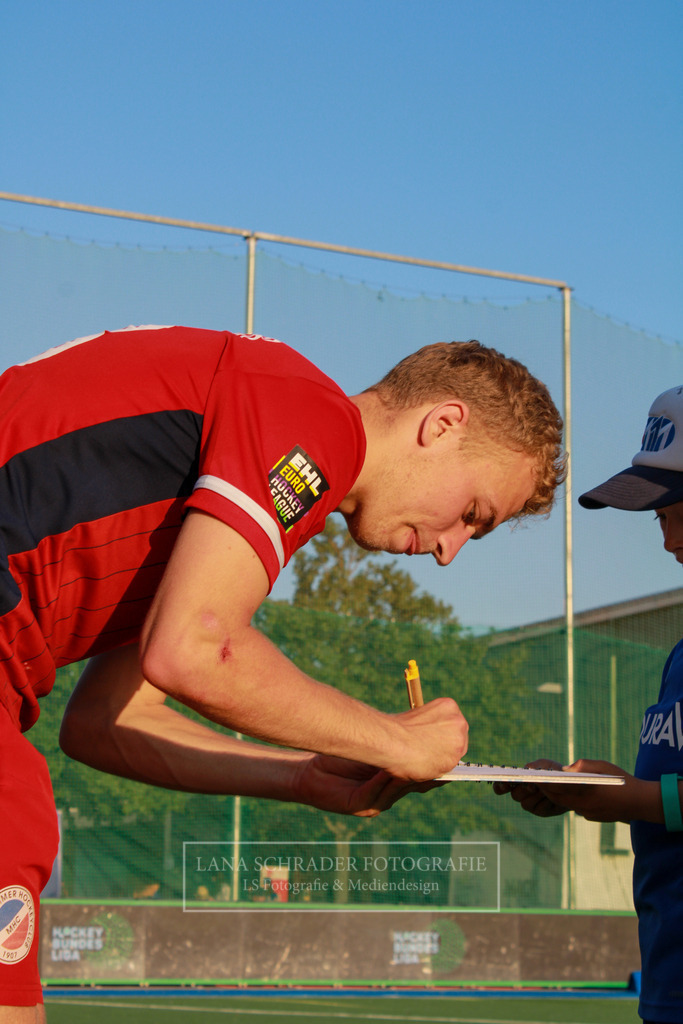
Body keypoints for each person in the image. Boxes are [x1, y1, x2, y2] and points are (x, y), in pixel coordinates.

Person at [0, 324, 565, 1020]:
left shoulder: (239, 486)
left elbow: (105, 724)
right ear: (442, 423)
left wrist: (297, 775)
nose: (450, 550)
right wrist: (395, 741)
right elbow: (195, 647)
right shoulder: (309, 416)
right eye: (472, 516)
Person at [494, 384, 683, 1024]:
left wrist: (626, 799)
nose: (668, 540)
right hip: (668, 977)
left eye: (679, 511)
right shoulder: (680, 656)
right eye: (660, 517)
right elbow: (668, 799)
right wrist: (597, 786)